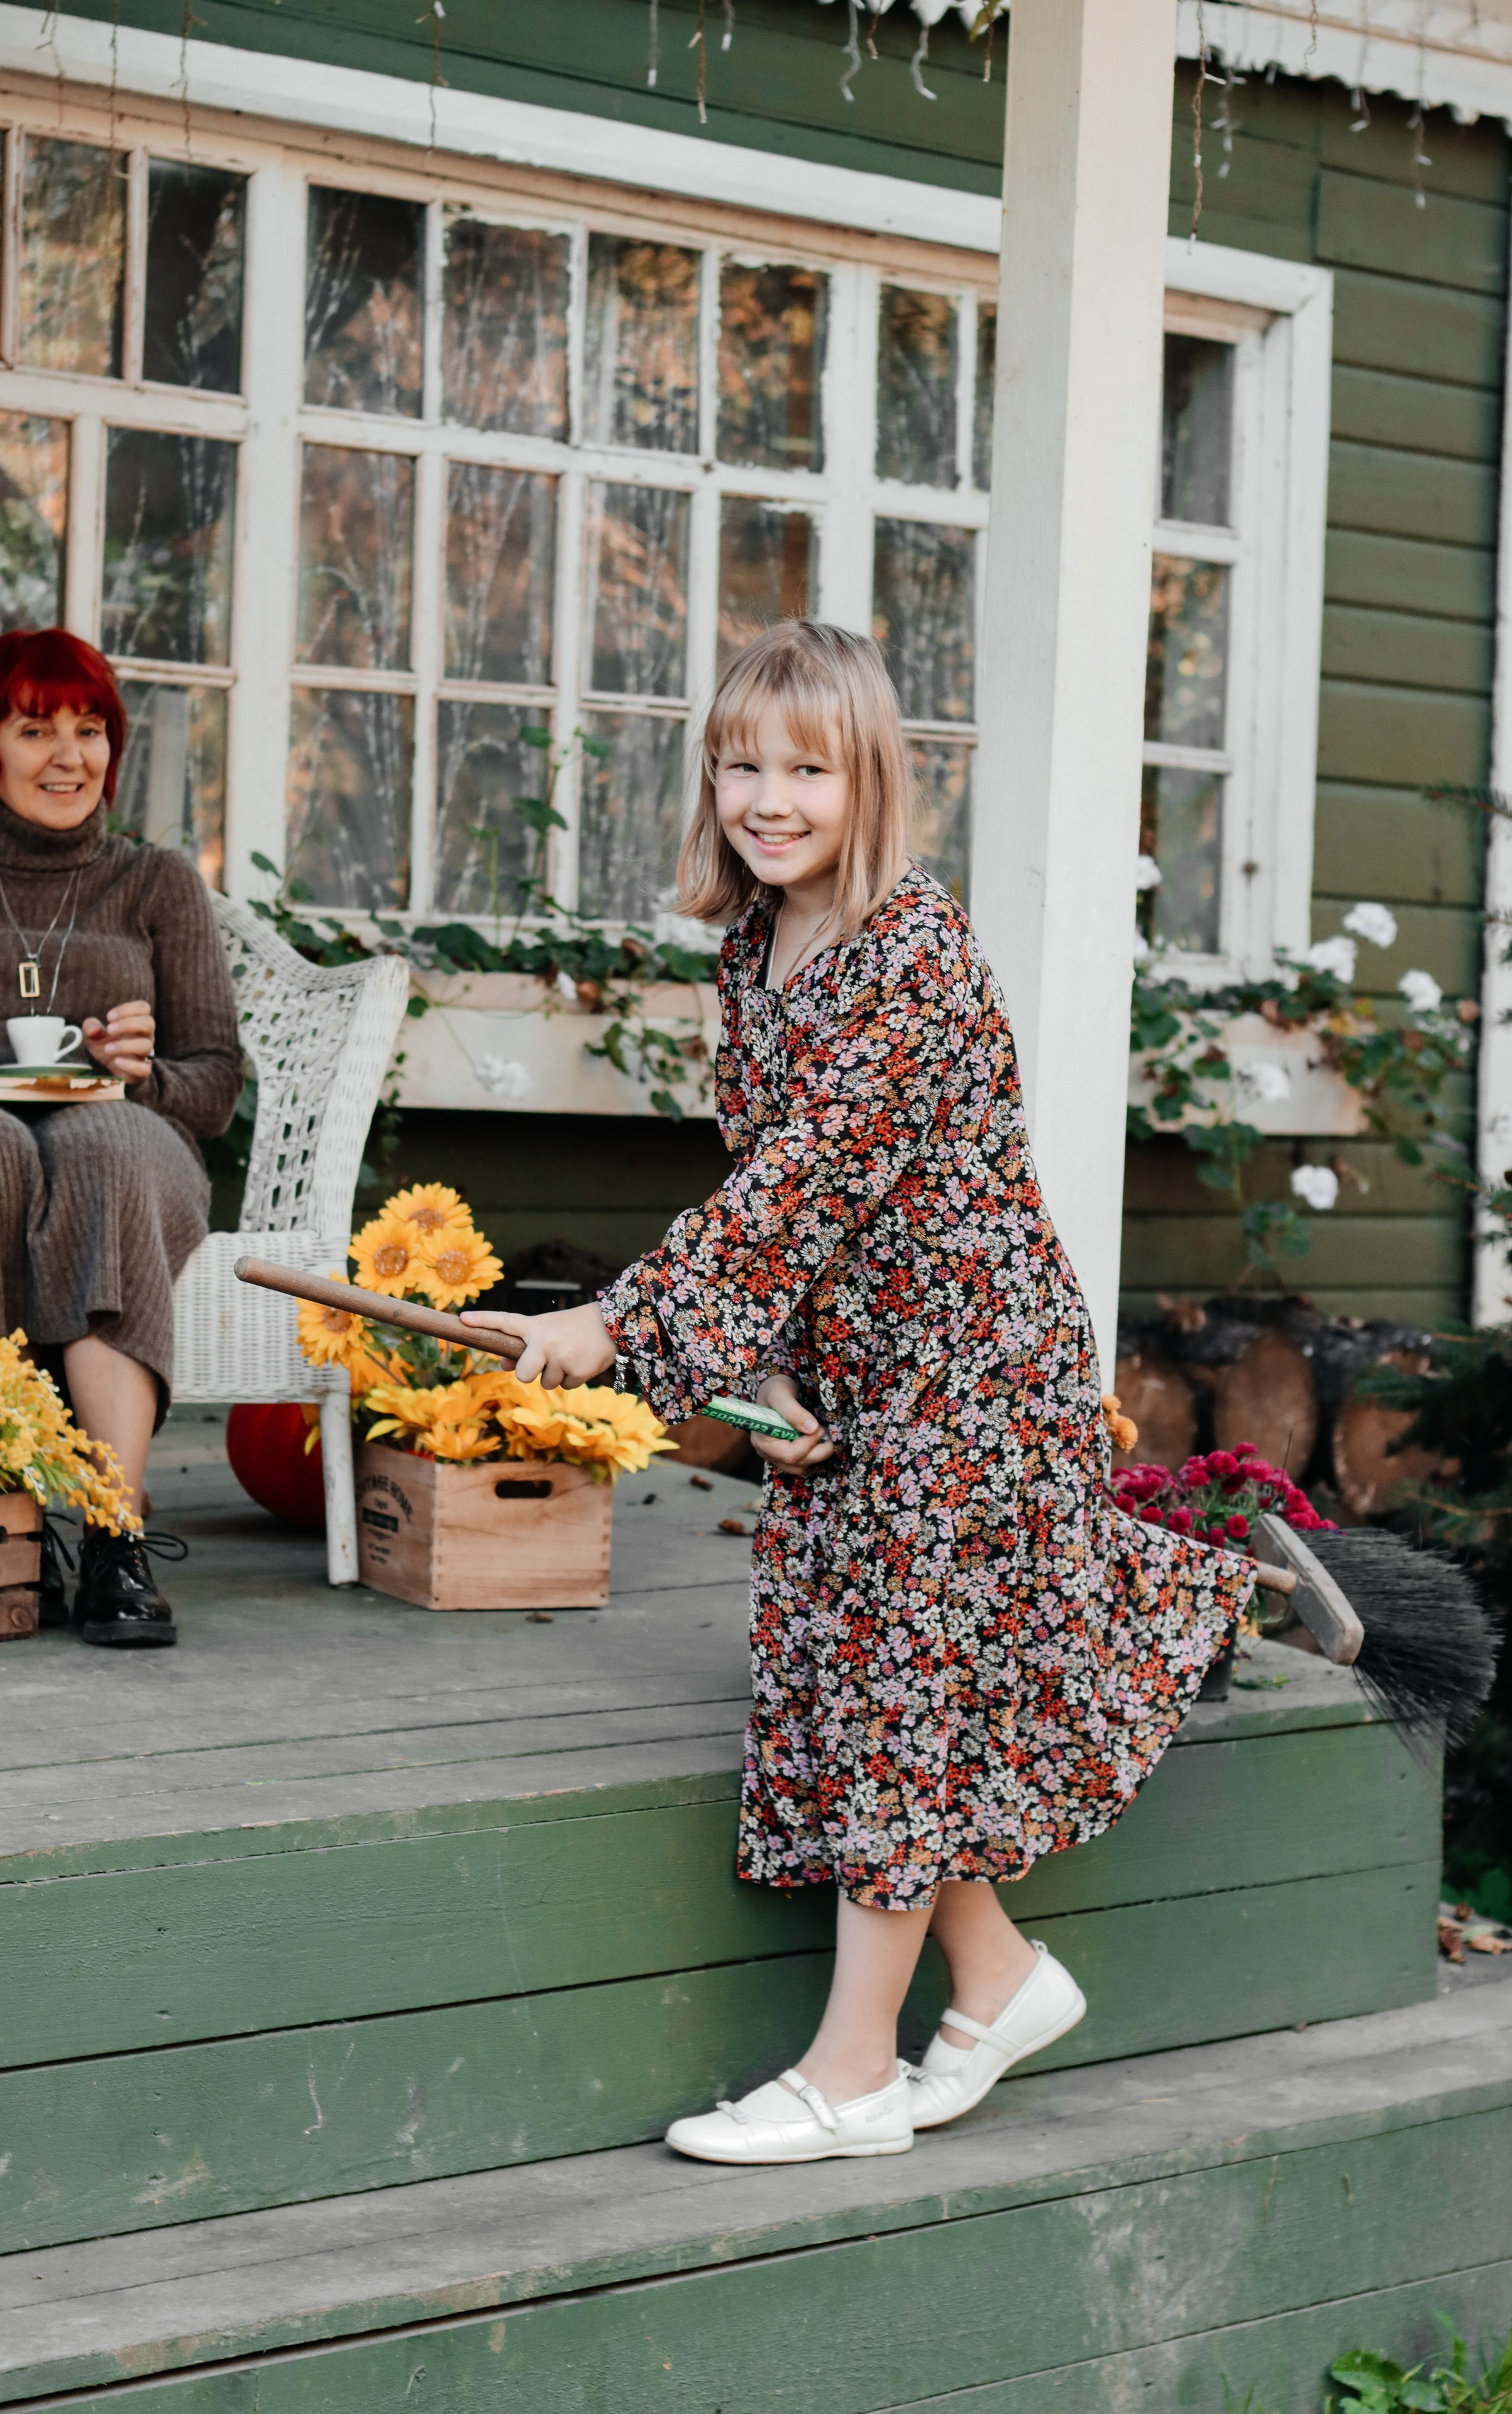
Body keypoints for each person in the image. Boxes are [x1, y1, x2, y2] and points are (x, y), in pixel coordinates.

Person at [463, 620, 1255, 2164]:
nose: (768, 799)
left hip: (971, 1369)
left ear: (869, 780)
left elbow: (803, 1186)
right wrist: (761, 1371)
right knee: (849, 1673)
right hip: (860, 1367)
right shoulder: (755, 947)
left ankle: (852, 2076)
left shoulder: (913, 954)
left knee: (896, 1687)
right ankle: (997, 1980)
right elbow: (774, 1190)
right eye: (739, 766)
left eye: (806, 770)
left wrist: (616, 1321)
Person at [0, 629, 243, 1647]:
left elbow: (214, 1086)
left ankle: (112, 1538)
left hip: (126, 1149)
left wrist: (142, 1074)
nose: (69, 756)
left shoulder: (155, 883)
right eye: (35, 729)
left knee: (103, 1144)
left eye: (90, 729)